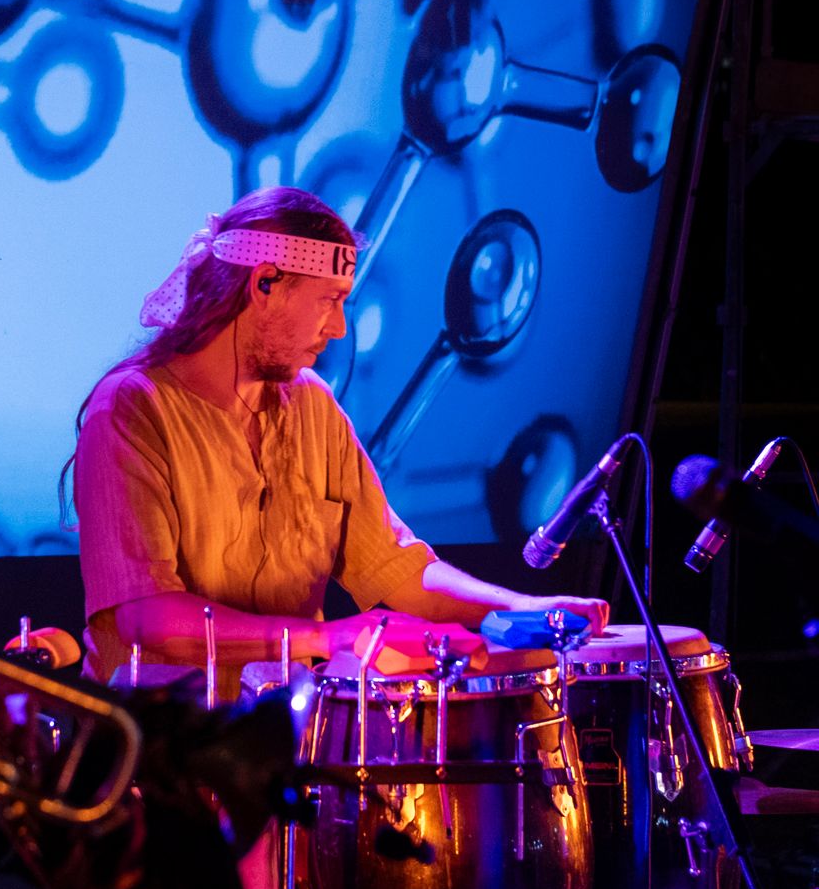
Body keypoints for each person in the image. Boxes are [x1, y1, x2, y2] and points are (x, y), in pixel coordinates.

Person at [67, 186, 610, 700]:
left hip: (282, 740)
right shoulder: (131, 408)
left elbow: (399, 569)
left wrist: (525, 608)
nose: (339, 328)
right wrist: (333, 637)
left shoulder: (313, 404)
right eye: (330, 299)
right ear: (265, 283)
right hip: (152, 747)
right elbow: (148, 618)